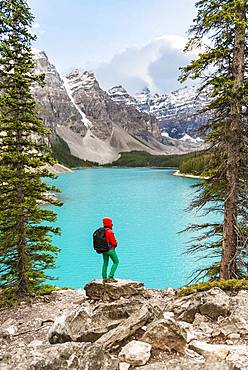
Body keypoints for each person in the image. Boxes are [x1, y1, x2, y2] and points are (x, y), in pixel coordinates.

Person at [102, 217, 119, 283]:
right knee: (116, 262)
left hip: (103, 250)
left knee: (105, 263)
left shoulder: (102, 231)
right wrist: (116, 243)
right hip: (111, 250)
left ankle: (104, 278)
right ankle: (111, 276)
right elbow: (113, 242)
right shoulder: (110, 232)